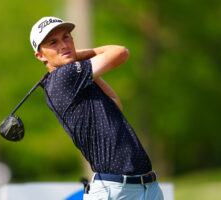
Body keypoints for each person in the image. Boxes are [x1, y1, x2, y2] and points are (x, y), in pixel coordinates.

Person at [30, 16, 164, 200]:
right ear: (41, 56)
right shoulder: (64, 76)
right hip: (116, 191)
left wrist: (83, 66)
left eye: (66, 37)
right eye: (53, 42)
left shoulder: (76, 80)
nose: (63, 45)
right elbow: (121, 52)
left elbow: (115, 103)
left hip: (144, 187)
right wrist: (83, 54)